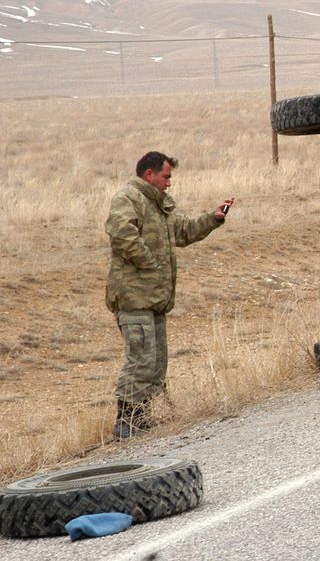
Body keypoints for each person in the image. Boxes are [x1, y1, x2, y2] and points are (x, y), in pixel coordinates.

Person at [105, 151, 235, 439]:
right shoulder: (128, 199)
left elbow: (184, 231)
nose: (169, 183)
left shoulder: (159, 207)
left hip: (155, 300)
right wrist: (150, 263)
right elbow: (122, 235)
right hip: (134, 299)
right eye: (166, 177)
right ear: (149, 174)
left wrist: (213, 218)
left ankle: (142, 418)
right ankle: (126, 422)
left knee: (156, 363)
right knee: (140, 359)